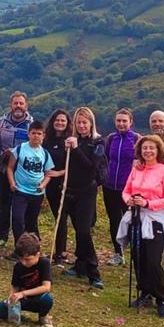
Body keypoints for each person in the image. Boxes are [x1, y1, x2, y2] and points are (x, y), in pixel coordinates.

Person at [119, 134, 164, 319]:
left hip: (155, 220)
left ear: (158, 150)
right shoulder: (137, 169)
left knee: (153, 261)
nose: (148, 151)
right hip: (136, 217)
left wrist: (147, 203)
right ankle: (144, 293)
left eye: (152, 148)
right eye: (145, 148)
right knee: (139, 258)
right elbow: (126, 190)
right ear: (140, 151)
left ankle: (161, 299)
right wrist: (129, 200)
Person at [60, 107, 106, 289]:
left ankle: (94, 272)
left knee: (84, 230)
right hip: (72, 190)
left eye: (84, 122)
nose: (81, 126)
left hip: (87, 191)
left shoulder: (98, 142)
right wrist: (67, 150)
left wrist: (77, 148)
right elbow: (68, 164)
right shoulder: (73, 140)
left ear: (91, 123)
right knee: (77, 229)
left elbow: (91, 166)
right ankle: (80, 266)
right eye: (78, 122)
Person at [4, 121, 57, 244]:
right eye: (33, 133)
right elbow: (10, 168)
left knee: (31, 221)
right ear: (29, 134)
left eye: (39, 134)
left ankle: (32, 247)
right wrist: (12, 183)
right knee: (17, 218)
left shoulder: (45, 153)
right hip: (20, 190)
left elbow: (49, 173)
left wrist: (43, 184)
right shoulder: (19, 149)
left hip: (37, 193)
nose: (36, 136)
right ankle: (19, 246)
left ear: (43, 135)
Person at [0, 91, 34, 245]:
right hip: (4, 169)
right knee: (4, 204)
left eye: (21, 103)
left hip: (24, 172)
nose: (18, 106)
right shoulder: (0, 123)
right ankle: (1, 236)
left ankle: (24, 238)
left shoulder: (32, 124)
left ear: (26, 105)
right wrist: (0, 154)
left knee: (23, 205)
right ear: (11, 105)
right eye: (15, 103)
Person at [0, 233, 55, 327]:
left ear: (37, 255)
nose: (23, 262)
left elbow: (46, 287)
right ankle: (14, 313)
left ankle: (43, 316)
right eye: (21, 259)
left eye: (27, 259)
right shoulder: (18, 267)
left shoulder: (44, 263)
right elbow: (15, 287)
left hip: (38, 299)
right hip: (22, 301)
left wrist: (23, 293)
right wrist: (11, 301)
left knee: (47, 299)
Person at [103, 108, 140, 266]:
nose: (121, 123)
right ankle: (118, 253)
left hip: (129, 188)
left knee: (131, 220)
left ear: (131, 122)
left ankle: (135, 253)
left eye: (124, 121)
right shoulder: (111, 138)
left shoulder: (137, 139)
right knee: (114, 220)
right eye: (119, 120)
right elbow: (104, 158)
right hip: (110, 186)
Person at [41, 109, 73, 263]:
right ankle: (59, 250)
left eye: (63, 121)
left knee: (62, 217)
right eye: (57, 120)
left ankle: (60, 252)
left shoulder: (70, 141)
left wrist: (59, 173)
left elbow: (75, 165)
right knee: (57, 216)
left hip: (64, 184)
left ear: (67, 123)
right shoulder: (47, 140)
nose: (59, 123)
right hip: (49, 185)